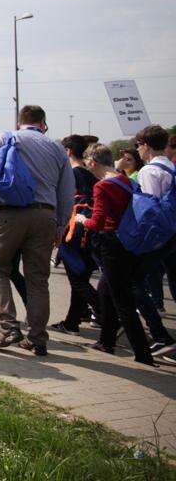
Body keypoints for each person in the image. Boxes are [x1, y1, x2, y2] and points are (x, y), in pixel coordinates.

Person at [0, 105, 74, 357]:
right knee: (38, 278)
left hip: (10, 213)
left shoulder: (7, 137)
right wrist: (61, 224)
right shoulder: (57, 148)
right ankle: (38, 338)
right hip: (45, 215)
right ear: (43, 123)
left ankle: (8, 327)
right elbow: (66, 190)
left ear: (20, 122)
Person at [73, 144, 155, 366]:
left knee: (123, 301)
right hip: (130, 243)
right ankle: (106, 341)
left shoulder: (103, 186)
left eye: (87, 159)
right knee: (106, 292)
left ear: (93, 162)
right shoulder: (126, 180)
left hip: (112, 244)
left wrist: (81, 220)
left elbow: (97, 222)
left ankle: (143, 353)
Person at [130, 124, 176, 356]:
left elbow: (148, 209)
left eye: (138, 145)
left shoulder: (149, 171)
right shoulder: (170, 166)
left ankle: (160, 334)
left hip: (159, 236)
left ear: (146, 145)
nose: (137, 150)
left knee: (134, 282)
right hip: (173, 232)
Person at [50, 135, 100, 335]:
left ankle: (106, 313)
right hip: (87, 232)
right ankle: (72, 322)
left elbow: (66, 202)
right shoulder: (90, 173)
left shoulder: (72, 173)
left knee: (77, 280)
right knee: (79, 278)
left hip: (74, 231)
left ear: (68, 150)